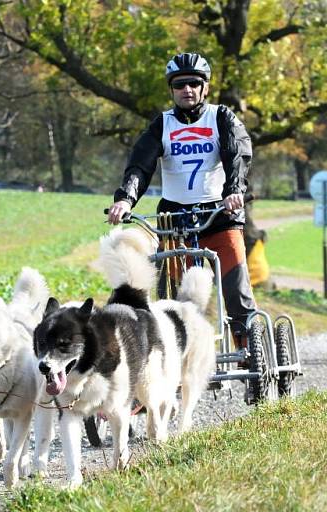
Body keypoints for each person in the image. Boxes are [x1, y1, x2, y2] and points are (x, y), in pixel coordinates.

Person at [107, 51, 257, 351]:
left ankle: (247, 350)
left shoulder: (222, 118)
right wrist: (125, 199)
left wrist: (233, 190)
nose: (186, 90)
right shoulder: (161, 125)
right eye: (179, 85)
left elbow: (237, 155)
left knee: (235, 289)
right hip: (175, 223)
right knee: (174, 296)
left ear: (205, 87)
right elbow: (140, 165)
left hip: (221, 216)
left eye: (193, 83)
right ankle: (174, 354)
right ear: (171, 90)